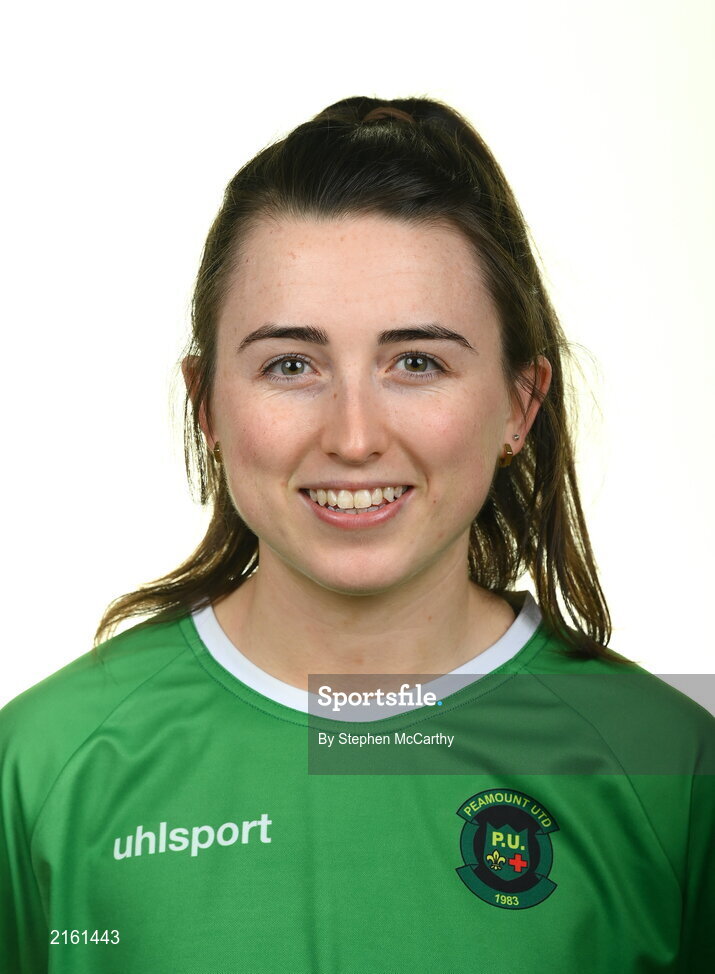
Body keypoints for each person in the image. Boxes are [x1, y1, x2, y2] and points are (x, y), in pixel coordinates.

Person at [1, 96, 713, 973]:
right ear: (207, 405)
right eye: (290, 365)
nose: (352, 436)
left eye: (416, 362)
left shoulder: (672, 767)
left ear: (518, 404)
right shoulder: (42, 764)